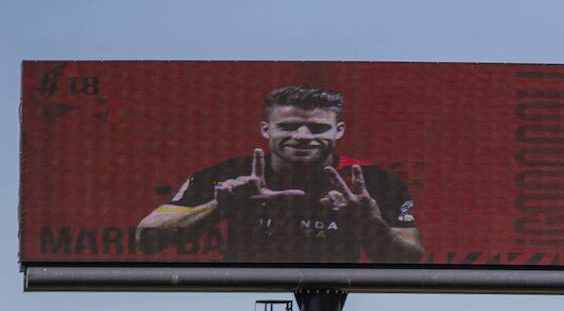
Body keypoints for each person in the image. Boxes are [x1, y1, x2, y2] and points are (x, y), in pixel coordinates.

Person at [136, 85, 423, 264]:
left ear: (339, 131)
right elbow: (147, 238)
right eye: (288, 126)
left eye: (318, 128)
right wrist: (218, 207)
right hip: (245, 295)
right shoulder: (229, 174)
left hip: (330, 299)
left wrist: (369, 222)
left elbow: (410, 259)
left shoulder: (374, 181)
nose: (301, 136)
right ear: (266, 130)